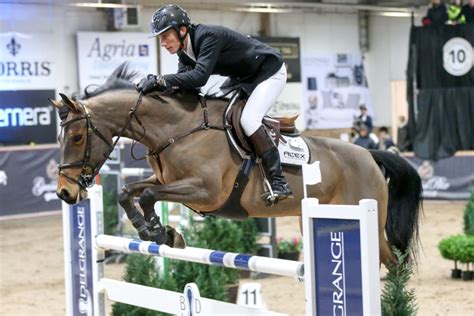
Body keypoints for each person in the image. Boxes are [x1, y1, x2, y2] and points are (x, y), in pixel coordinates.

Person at [136, 4, 293, 202]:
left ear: (182, 30)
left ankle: (279, 182)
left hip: (269, 72)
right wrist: (157, 88)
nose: (163, 43)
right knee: (217, 107)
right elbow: (185, 84)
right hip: (243, 77)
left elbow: (199, 77)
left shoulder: (207, 36)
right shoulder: (184, 51)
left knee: (249, 120)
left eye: (165, 36)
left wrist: (161, 79)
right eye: (160, 38)